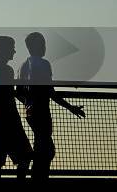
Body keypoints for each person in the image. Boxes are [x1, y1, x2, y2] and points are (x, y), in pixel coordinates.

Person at [18, 32, 85, 181]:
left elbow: (18, 91)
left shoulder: (23, 66)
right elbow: (50, 91)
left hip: (31, 113)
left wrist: (29, 103)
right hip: (42, 112)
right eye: (42, 44)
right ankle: (40, 178)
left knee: (42, 147)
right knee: (46, 150)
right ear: (36, 46)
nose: (44, 47)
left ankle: (37, 176)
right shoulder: (43, 64)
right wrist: (70, 107)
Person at [0, 36, 32, 181]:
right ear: (4, 50)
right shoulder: (6, 69)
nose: (14, 51)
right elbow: (10, 94)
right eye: (12, 47)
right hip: (9, 122)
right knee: (26, 156)